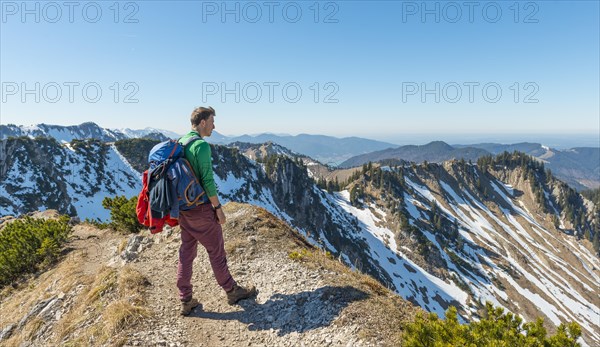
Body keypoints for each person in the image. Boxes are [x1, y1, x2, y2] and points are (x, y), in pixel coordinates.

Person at [177, 106, 256, 316]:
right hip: (201, 208)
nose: (214, 125)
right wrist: (218, 208)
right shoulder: (201, 146)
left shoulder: (180, 142)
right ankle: (231, 291)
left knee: (186, 252)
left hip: (184, 209)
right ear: (203, 122)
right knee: (216, 252)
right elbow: (207, 180)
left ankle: (185, 299)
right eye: (212, 121)